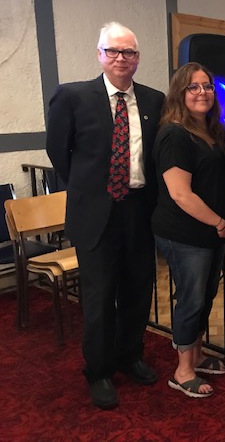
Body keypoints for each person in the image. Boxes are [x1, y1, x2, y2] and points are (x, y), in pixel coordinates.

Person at [46, 22, 164, 409]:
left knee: (136, 291)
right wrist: (92, 191)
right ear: (99, 54)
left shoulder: (153, 100)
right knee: (98, 299)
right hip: (96, 214)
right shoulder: (72, 97)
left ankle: (129, 356)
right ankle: (98, 370)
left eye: (128, 52)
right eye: (112, 51)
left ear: (137, 58)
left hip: (139, 211)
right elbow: (59, 154)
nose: (120, 59)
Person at [152, 63, 225, 398]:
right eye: (193, 87)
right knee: (190, 300)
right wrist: (220, 222)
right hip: (185, 234)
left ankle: (199, 355)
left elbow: (224, 179)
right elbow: (180, 194)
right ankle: (183, 370)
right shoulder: (174, 134)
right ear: (179, 93)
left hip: (213, 232)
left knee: (205, 296)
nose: (202, 92)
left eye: (206, 86)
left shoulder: (214, 131)